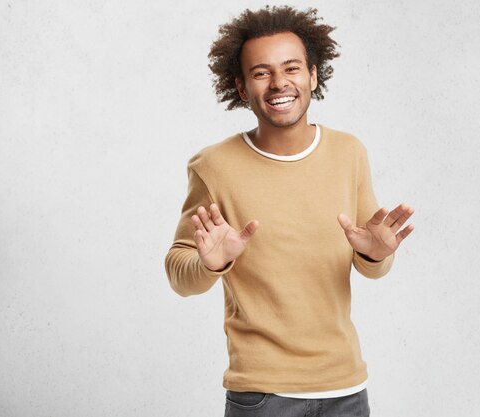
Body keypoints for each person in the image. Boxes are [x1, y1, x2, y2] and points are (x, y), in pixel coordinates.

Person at [165, 6, 414, 417]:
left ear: (313, 76)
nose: (279, 82)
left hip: (346, 389)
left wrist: (374, 254)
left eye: (292, 68)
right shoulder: (213, 167)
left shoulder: (349, 153)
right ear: (242, 88)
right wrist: (209, 265)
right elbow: (179, 273)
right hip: (262, 396)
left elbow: (371, 265)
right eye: (261, 72)